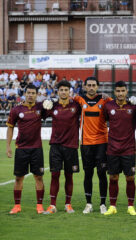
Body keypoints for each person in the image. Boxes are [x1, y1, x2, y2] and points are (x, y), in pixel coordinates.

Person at [74, 76, 112, 214]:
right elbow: (65, 101)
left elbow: (119, 105)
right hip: (86, 143)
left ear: (97, 86)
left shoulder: (105, 99)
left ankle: (102, 204)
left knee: (102, 174)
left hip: (102, 143)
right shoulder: (79, 99)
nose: (91, 87)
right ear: (84, 86)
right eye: (88, 85)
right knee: (88, 174)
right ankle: (88, 204)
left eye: (93, 85)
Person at [42, 80, 81, 214]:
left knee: (69, 176)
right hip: (56, 146)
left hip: (71, 146)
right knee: (55, 175)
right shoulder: (52, 106)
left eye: (66, 90)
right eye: (61, 90)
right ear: (57, 92)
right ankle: (52, 205)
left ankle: (68, 204)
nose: (63, 92)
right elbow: (38, 114)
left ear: (70, 91)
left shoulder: (76, 105)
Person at [7, 84, 46, 214]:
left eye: (33, 93)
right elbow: (10, 127)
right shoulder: (17, 110)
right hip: (21, 149)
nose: (30, 95)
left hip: (37, 148)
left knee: (38, 177)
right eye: (28, 92)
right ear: (24, 94)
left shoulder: (41, 108)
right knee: (19, 178)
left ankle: (39, 205)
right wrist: (8, 146)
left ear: (36, 94)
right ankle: (17, 206)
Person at [103, 81, 136, 216]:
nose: (120, 93)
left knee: (130, 177)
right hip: (112, 148)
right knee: (113, 177)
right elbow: (104, 120)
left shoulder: (133, 106)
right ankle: (112, 206)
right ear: (114, 92)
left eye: (122, 91)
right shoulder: (108, 106)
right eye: (118, 91)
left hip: (129, 148)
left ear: (126, 91)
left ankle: (131, 206)